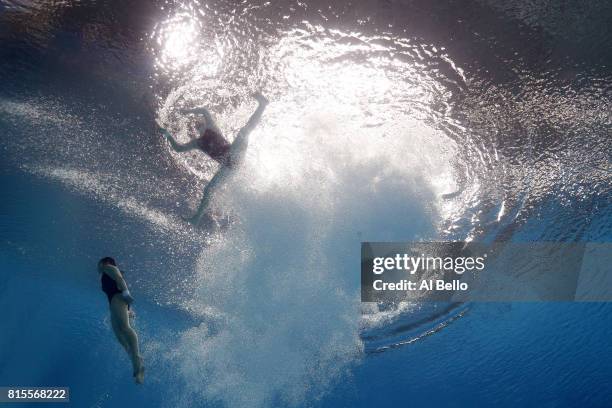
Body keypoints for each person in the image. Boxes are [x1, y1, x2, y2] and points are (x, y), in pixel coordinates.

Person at [161, 92, 269, 225]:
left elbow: (204, 111)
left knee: (244, 132)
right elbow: (178, 148)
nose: (197, 126)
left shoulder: (211, 127)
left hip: (235, 154)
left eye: (199, 123)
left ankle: (262, 105)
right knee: (208, 190)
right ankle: (196, 218)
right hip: (228, 168)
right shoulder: (197, 143)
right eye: (195, 126)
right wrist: (168, 135)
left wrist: (188, 111)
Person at [98, 257, 145, 384]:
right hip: (115, 302)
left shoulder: (108, 267)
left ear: (103, 262)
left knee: (124, 328)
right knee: (119, 335)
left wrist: (126, 294)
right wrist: (129, 309)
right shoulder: (106, 272)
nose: (97, 267)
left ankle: (137, 357)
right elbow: (118, 280)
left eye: (98, 264)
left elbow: (119, 279)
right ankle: (136, 363)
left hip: (118, 298)